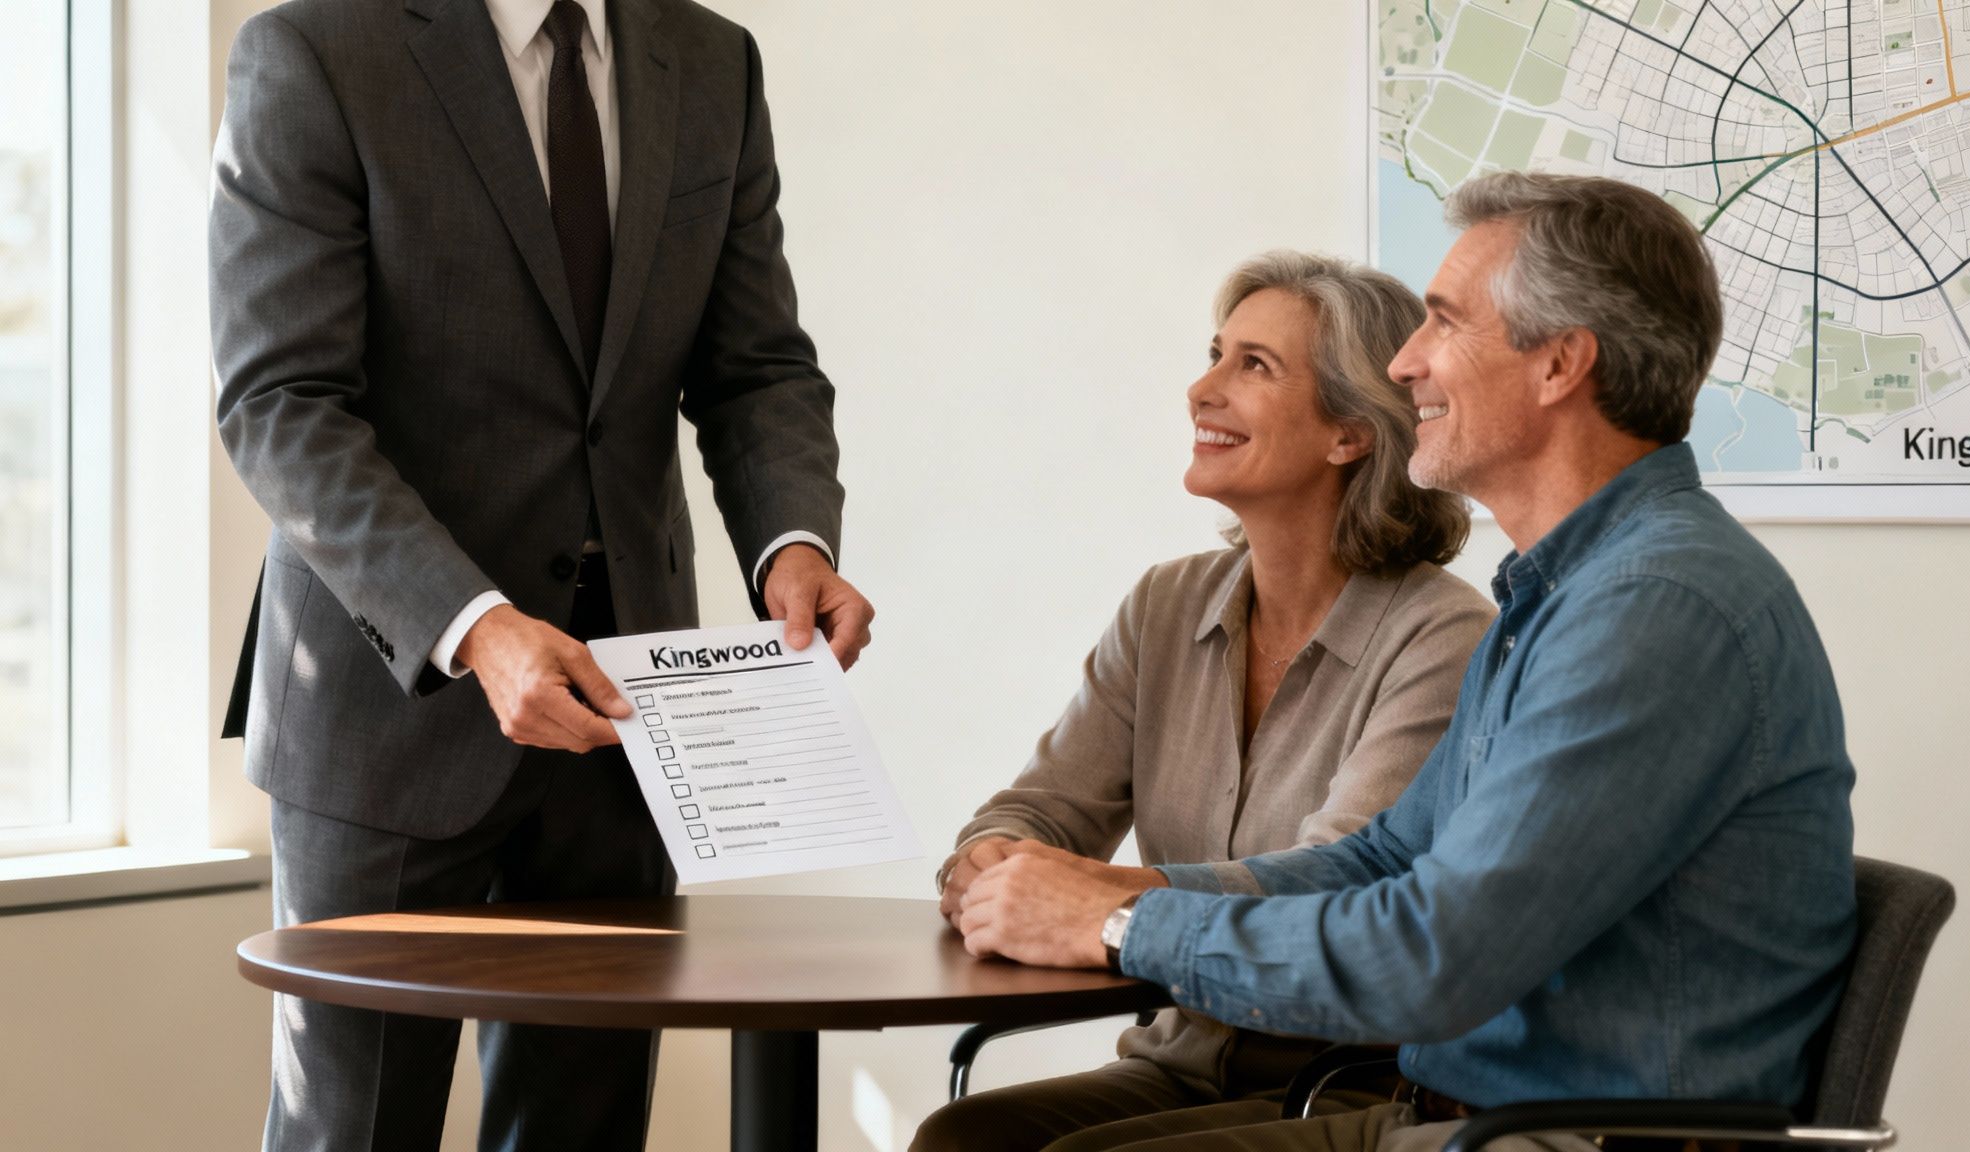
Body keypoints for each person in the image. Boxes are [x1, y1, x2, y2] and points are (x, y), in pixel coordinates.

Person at [948, 172, 1858, 1152]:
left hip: (1564, 1139)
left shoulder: (1654, 608)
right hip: (1455, 1117)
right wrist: (1111, 897)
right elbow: (1382, 859)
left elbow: (1433, 955)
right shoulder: (1562, 592)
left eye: (1441, 324)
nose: (1408, 364)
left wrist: (1118, 928)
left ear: (1557, 365)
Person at [209, 1, 874, 1148]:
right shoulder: (317, 48)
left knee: (585, 1124)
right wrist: (473, 624)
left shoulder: (711, 59)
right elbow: (281, 405)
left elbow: (755, 366)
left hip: (630, 713)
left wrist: (793, 543)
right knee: (353, 1128)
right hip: (386, 710)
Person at [916, 253, 1493, 1150]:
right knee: (963, 1139)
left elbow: (1344, 880)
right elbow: (1043, 808)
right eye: (1215, 353)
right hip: (1171, 1062)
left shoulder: (1441, 634)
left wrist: (1094, 902)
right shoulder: (1167, 603)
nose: (1201, 387)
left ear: (1350, 432)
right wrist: (991, 858)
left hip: (1348, 1082)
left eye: (1252, 366)